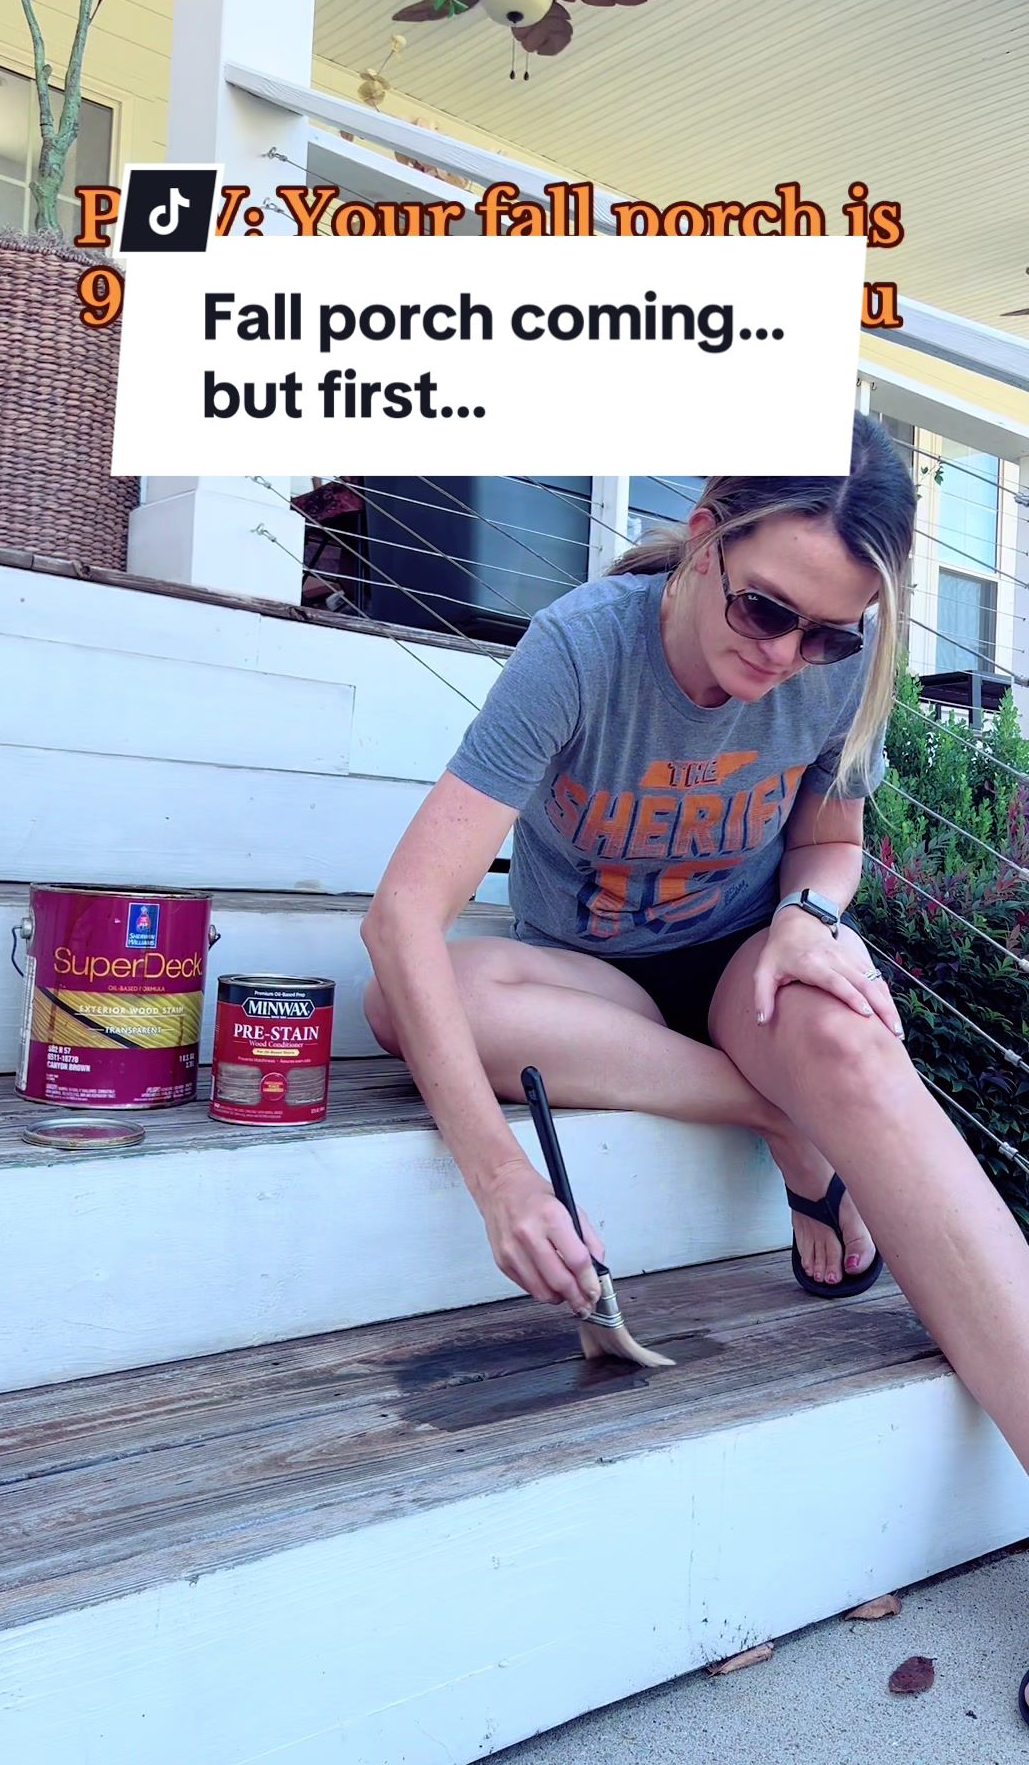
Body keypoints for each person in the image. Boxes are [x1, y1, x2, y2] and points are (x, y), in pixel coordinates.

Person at [362, 415, 1029, 1496]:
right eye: (767, 609)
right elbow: (402, 914)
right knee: (407, 1000)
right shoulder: (582, 648)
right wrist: (500, 1179)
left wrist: (805, 917)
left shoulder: (840, 671)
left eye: (828, 636)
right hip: (592, 978)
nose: (786, 658)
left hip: (741, 962)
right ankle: (787, 1117)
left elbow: (828, 846)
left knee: (851, 1043)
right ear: (708, 530)